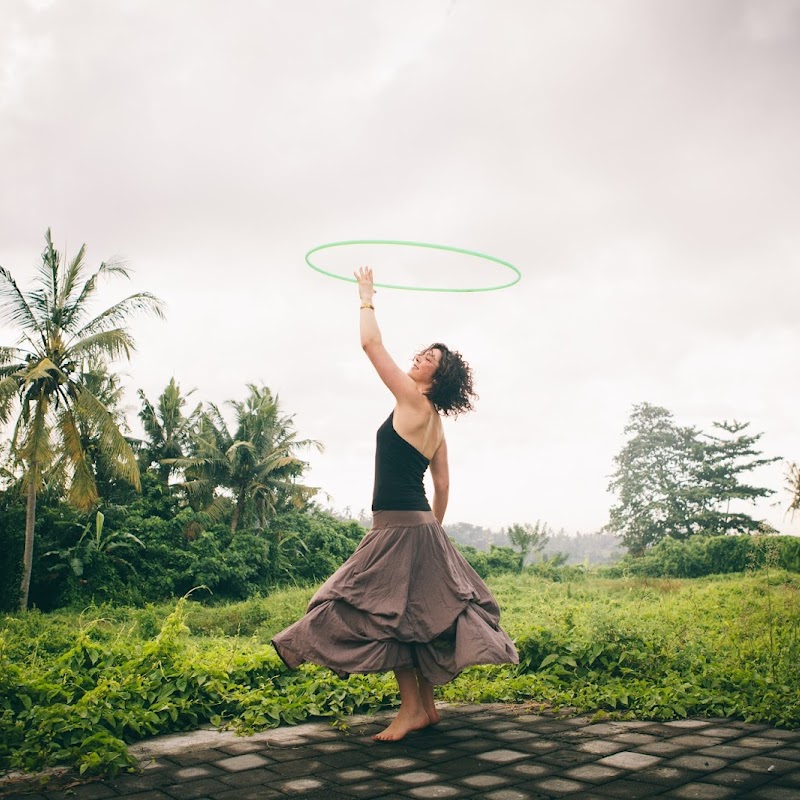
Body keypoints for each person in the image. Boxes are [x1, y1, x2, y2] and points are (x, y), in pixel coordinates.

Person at [272, 266, 518, 741]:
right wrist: (434, 535)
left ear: (436, 376)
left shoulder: (411, 399)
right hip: (420, 527)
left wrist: (365, 297)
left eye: (430, 358)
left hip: (398, 528)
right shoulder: (435, 424)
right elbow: (443, 485)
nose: (420, 357)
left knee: (377, 611)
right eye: (423, 351)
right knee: (416, 616)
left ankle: (410, 710)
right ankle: (424, 707)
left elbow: (370, 346)